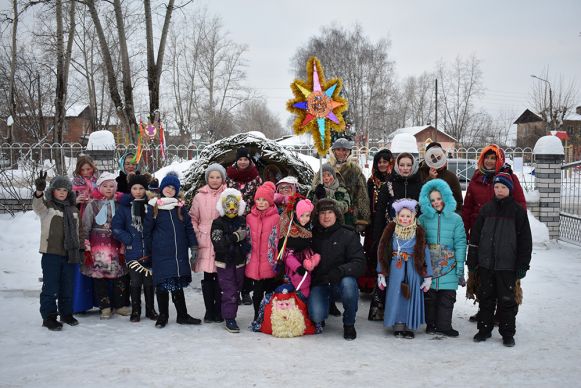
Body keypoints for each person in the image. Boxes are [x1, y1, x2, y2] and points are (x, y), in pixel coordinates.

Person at [462, 144, 527, 322]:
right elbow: (467, 208)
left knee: (503, 275)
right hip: (480, 233)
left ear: (499, 160)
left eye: (493, 158)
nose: (490, 161)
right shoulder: (476, 179)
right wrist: (466, 231)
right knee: (483, 276)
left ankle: (502, 313)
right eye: (487, 158)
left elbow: (520, 205)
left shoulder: (509, 178)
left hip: (504, 237)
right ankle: (485, 311)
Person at [467, 172, 532, 347]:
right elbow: (475, 239)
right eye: (496, 187)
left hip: (507, 266)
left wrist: (522, 265)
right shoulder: (486, 209)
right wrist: (472, 263)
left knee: (507, 301)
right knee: (486, 298)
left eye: (503, 187)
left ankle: (507, 333)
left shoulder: (517, 211)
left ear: (509, 189)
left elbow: (525, 241)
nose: (499, 190)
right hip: (486, 265)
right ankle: (484, 330)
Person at [369, 152, 423, 321]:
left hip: (413, 233)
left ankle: (408, 312)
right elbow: (379, 213)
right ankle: (387, 309)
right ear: (397, 166)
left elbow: (424, 209)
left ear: (413, 166)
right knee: (391, 271)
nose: (405, 168)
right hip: (391, 233)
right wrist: (378, 237)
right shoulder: (389, 185)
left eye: (408, 165)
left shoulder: (421, 184)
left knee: (411, 273)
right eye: (402, 165)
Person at [144, 171, 201, 328]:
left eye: (173, 188)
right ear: (161, 188)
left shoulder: (180, 207)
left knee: (176, 284)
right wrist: (148, 252)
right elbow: (147, 231)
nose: (170, 190)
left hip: (179, 253)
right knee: (162, 285)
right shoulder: (155, 206)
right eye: (167, 186)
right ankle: (163, 315)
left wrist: (194, 246)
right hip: (161, 253)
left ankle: (182, 315)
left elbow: (189, 228)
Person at [308, 198, 366, 341]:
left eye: (330, 212)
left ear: (336, 215)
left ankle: (349, 323)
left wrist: (341, 271)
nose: (326, 216)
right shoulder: (311, 235)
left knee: (349, 284)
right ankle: (324, 306)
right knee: (316, 315)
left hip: (340, 282)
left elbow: (359, 263)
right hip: (320, 283)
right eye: (322, 213)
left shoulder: (348, 234)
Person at [377, 199, 432, 339]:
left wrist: (427, 276)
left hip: (413, 267)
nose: (405, 219)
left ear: (413, 216)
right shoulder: (391, 231)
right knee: (396, 294)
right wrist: (381, 273)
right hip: (396, 266)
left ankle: (409, 325)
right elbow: (382, 251)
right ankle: (398, 324)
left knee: (411, 294)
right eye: (402, 216)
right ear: (397, 216)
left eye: (408, 216)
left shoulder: (418, 232)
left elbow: (425, 252)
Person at [33, 172, 81, 331]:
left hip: (70, 254)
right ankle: (49, 317)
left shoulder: (73, 209)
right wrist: (39, 192)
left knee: (67, 286)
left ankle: (66, 313)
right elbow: (36, 206)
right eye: (58, 189)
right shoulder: (47, 207)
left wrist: (80, 247)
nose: (62, 192)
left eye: (65, 190)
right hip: (51, 253)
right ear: (52, 191)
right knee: (51, 286)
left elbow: (78, 231)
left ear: (69, 192)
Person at [418, 179, 466, 337]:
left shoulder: (455, 219)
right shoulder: (423, 219)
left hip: (449, 265)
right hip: (430, 266)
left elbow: (460, 243)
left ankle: (444, 326)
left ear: (445, 198)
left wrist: (460, 266)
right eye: (432, 200)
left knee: (447, 298)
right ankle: (431, 324)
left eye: (439, 199)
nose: (436, 202)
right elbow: (419, 242)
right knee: (430, 298)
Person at [80, 172, 130, 320]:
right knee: (99, 278)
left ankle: (120, 305)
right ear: (99, 187)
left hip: (116, 246)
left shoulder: (120, 204)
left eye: (112, 186)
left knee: (119, 276)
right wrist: (86, 246)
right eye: (105, 186)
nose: (109, 189)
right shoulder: (92, 204)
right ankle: (105, 306)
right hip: (97, 248)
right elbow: (85, 226)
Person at [111, 172, 159, 323]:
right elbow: (116, 227)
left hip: (150, 251)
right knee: (135, 282)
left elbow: (157, 226)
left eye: (141, 188)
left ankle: (151, 310)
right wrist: (128, 239)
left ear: (145, 190)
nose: (138, 191)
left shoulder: (151, 206)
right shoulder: (125, 208)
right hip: (133, 252)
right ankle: (136, 310)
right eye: (134, 188)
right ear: (130, 190)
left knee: (150, 282)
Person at [189, 163, 227, 323]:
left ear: (223, 179)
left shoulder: (228, 194)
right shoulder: (199, 196)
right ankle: (209, 311)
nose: (215, 180)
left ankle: (219, 310)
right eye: (211, 177)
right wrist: (198, 234)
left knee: (220, 277)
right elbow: (193, 217)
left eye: (218, 177)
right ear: (207, 178)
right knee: (208, 277)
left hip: (221, 240)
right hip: (204, 239)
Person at [210, 188, 251, 333]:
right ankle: (229, 318)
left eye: (235, 206)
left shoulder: (242, 221)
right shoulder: (217, 223)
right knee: (230, 291)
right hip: (224, 263)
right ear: (223, 206)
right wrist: (234, 237)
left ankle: (230, 313)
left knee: (237, 289)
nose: (232, 209)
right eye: (228, 205)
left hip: (240, 262)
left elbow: (247, 238)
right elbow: (218, 242)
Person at [226, 147, 263, 305]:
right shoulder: (229, 176)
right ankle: (232, 289)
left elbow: (260, 197)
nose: (242, 162)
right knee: (233, 254)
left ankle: (246, 290)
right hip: (231, 220)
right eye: (240, 159)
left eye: (245, 159)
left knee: (247, 255)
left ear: (250, 161)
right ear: (236, 160)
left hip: (249, 220)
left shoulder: (255, 177)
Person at [314, 138, 370, 233]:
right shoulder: (326, 167)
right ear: (333, 151)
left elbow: (362, 196)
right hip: (327, 215)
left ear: (349, 152)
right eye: (338, 149)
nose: (341, 153)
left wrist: (362, 220)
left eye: (345, 150)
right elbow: (315, 185)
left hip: (348, 215)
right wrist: (318, 190)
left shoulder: (355, 170)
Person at [246, 181, 280, 320]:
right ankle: (256, 316)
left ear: (271, 201)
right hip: (255, 262)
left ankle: (269, 316)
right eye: (258, 199)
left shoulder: (276, 218)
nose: (260, 202)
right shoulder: (249, 217)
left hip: (270, 261)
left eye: (264, 200)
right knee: (257, 292)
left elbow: (278, 240)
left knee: (270, 292)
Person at [362, 149, 394, 295]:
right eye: (379, 162)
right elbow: (367, 201)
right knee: (372, 250)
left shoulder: (394, 179)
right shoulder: (371, 181)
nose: (381, 165)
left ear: (390, 163)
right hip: (374, 222)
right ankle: (371, 284)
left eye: (385, 162)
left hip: (390, 221)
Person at [70, 155, 100, 314]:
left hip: (96, 222)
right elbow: (68, 203)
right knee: (83, 259)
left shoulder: (98, 181)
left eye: (89, 169)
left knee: (96, 259)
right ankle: (80, 301)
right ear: (78, 170)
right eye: (83, 170)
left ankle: (99, 299)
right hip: (80, 222)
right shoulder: (75, 183)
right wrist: (77, 200)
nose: (87, 172)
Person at [279, 198, 320, 299]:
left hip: (306, 264)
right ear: (296, 214)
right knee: (295, 286)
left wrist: (313, 259)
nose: (305, 219)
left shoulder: (308, 229)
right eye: (301, 215)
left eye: (307, 216)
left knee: (306, 285)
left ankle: (303, 305)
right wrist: (297, 267)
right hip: (293, 268)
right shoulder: (290, 230)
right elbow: (287, 254)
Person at [418, 142, 463, 213]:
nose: (435, 159)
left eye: (438, 155)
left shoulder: (451, 176)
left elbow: (458, 201)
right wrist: (430, 178)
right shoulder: (420, 173)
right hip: (426, 216)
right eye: (432, 155)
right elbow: (418, 194)